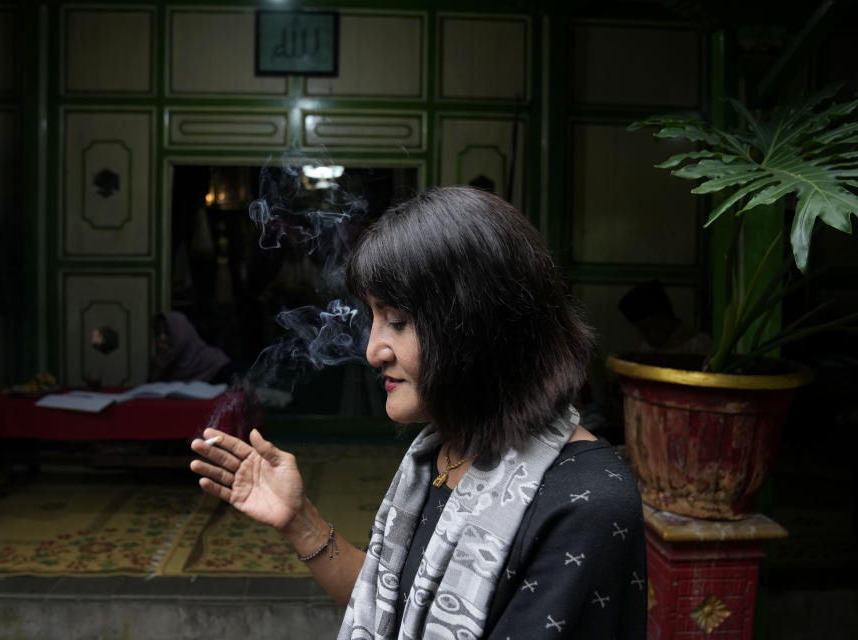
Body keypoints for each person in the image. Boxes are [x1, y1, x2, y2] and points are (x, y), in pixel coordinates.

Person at [190, 186, 646, 639]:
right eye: (372, 317)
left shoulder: (586, 502)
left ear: (477, 324)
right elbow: (394, 607)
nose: (372, 351)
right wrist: (300, 521)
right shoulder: (444, 452)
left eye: (399, 322)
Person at [618, 279, 711, 355]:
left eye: (646, 328)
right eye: (640, 330)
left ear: (665, 318)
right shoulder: (647, 348)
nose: (643, 336)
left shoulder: (699, 346)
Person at [148, 311, 235, 384]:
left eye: (167, 331)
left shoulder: (215, 362)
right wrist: (154, 374)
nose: (160, 338)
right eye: (157, 333)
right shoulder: (165, 365)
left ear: (182, 334)